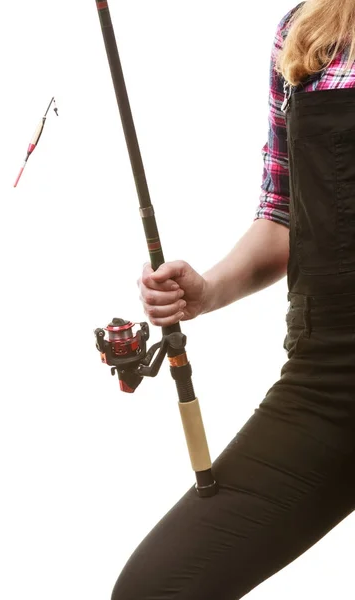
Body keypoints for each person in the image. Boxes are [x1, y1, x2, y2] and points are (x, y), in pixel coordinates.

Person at [111, 1, 355, 598]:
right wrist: (207, 290)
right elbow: (282, 215)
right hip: (332, 382)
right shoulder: (310, 29)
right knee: (157, 588)